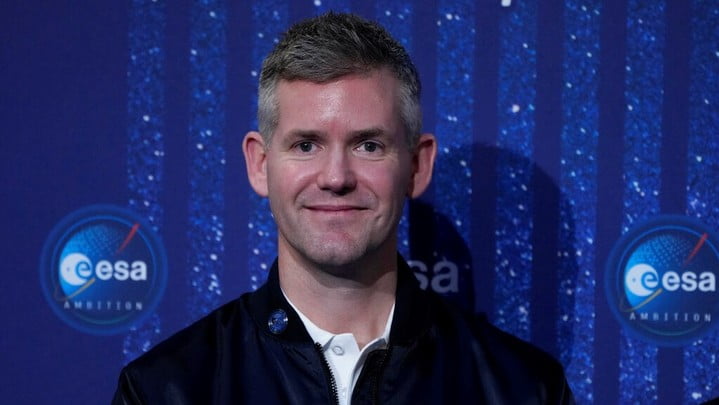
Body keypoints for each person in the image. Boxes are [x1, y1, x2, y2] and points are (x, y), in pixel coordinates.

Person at [112, 12, 574, 404]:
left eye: (368, 145)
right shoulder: (165, 391)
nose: (336, 178)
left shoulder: (525, 390)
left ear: (416, 166)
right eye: (306, 145)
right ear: (260, 164)